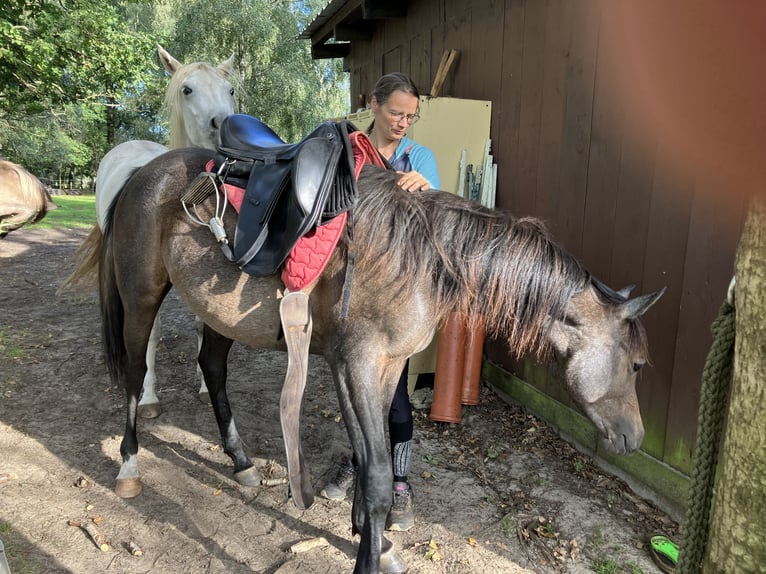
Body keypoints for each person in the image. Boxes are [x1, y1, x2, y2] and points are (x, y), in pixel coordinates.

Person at [321, 72, 440, 533]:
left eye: (410, 116)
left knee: (394, 400)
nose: (403, 123)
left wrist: (426, 192)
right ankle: (360, 461)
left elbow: (437, 228)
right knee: (360, 392)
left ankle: (401, 481)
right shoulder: (348, 149)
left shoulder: (420, 157)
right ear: (373, 106)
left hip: (394, 295)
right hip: (349, 287)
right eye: (396, 113)